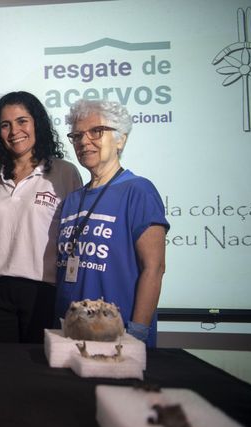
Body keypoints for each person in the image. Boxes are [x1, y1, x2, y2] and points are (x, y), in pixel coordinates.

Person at [54, 99, 169, 348]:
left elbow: (154, 268)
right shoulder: (72, 200)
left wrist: (136, 334)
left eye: (96, 131)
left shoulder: (139, 191)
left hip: (118, 336)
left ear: (120, 139)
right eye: (76, 135)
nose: (84, 141)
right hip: (71, 333)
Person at [0, 92, 82, 343]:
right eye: (5, 125)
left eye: (22, 121)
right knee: (0, 370)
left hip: (42, 291)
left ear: (37, 124)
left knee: (37, 373)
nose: (15, 131)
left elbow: (76, 238)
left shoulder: (64, 173)